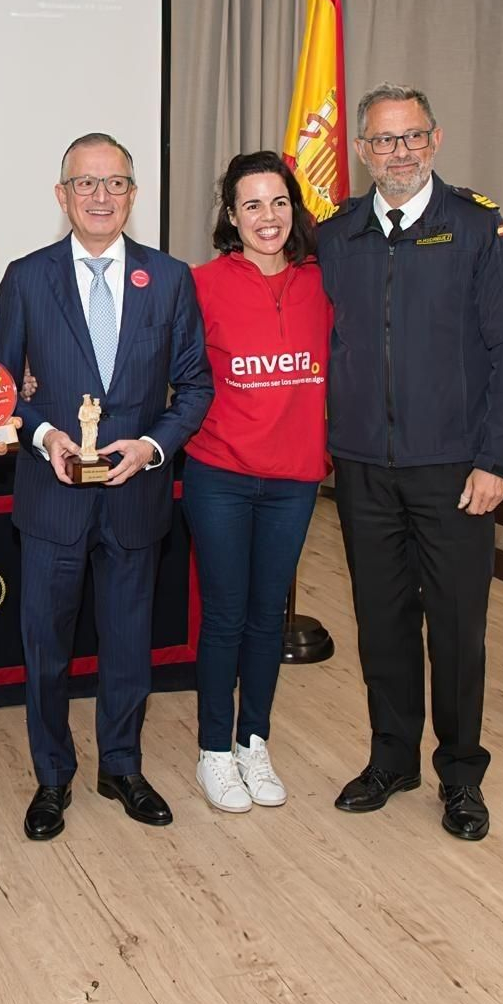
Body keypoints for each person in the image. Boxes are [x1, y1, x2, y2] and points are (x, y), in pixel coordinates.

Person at [320, 83, 503, 841]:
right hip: (363, 470)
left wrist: (496, 462)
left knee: (455, 629)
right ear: (361, 151)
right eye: (383, 141)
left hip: (455, 473)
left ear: (436, 140)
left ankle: (460, 775)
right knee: (380, 623)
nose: (399, 153)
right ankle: (392, 759)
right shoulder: (336, 234)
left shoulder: (478, 229)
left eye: (412, 137)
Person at [0, 132, 209, 841]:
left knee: (126, 643)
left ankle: (121, 765)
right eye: (86, 184)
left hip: (135, 497)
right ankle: (52, 777)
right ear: (62, 196)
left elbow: (196, 386)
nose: (101, 197)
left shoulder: (170, 279)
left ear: (133, 194)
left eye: (115, 184)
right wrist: (43, 434)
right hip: (51, 497)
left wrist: (152, 447)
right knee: (46, 646)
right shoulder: (26, 278)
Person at [182, 151, 331, 813]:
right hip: (219, 474)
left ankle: (253, 741)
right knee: (224, 617)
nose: (267, 217)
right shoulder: (201, 284)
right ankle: (214, 751)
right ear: (232, 216)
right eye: (251, 205)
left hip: (295, 479)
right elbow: (168, 371)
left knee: (267, 619)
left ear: (294, 210)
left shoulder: (326, 282)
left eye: (277, 203)